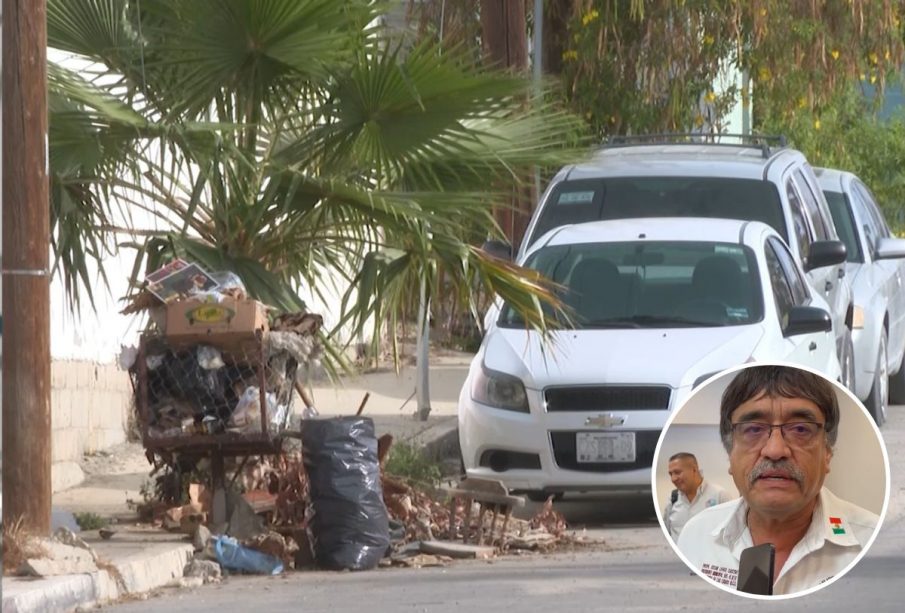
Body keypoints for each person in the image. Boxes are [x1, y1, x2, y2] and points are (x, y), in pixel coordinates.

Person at [677, 365, 880, 596]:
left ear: (827, 454)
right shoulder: (696, 537)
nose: (775, 450)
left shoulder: (870, 542)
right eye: (753, 429)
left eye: (801, 429)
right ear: (730, 455)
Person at [663, 452, 733, 541]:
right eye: (670, 474)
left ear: (694, 470)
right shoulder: (672, 500)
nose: (673, 479)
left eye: (677, 472)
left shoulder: (719, 496)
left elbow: (732, 533)